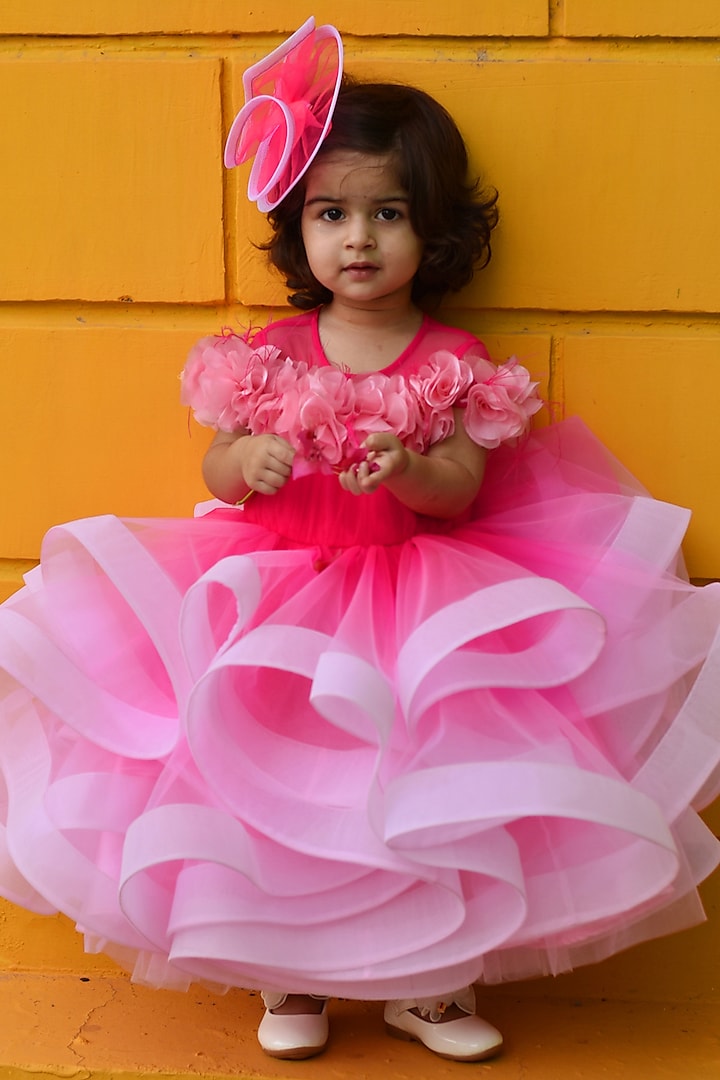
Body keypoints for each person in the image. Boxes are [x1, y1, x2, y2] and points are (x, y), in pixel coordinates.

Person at [1, 17, 719, 1067]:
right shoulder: (267, 354)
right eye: (331, 213)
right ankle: (290, 969)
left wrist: (411, 471)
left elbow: (462, 493)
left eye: (388, 213)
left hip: (416, 602)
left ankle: (428, 982)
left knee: (414, 790)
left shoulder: (451, 362)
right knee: (276, 784)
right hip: (277, 601)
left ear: (435, 231)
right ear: (298, 228)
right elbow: (220, 462)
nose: (360, 240)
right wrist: (241, 469)